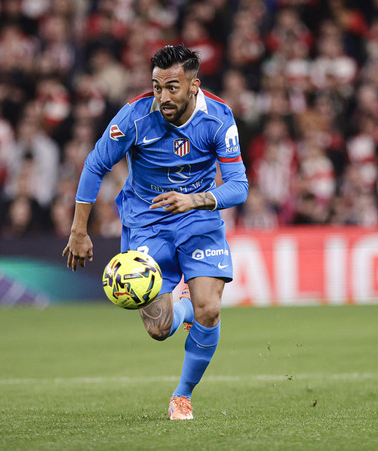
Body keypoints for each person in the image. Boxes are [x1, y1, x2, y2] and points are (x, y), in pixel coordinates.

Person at [62, 45, 248, 420]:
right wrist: (79, 231)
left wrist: (194, 200)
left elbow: (239, 185)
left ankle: (182, 395)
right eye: (156, 86)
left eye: (172, 88)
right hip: (147, 223)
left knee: (210, 309)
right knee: (160, 328)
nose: (162, 96)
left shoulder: (219, 119)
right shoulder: (133, 117)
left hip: (197, 218)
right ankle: (185, 309)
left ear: (194, 86)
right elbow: (95, 164)